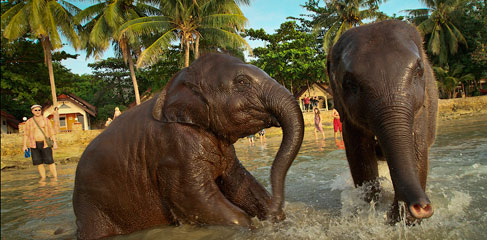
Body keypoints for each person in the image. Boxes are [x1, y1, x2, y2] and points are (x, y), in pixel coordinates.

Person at [22, 105, 58, 183]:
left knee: (50, 161)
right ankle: (43, 178)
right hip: (34, 144)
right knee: (39, 163)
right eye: (36, 110)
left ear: (41, 111)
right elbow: (26, 134)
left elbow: (52, 132)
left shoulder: (46, 120)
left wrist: (55, 142)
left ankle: (55, 178)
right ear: (32, 111)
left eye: (39, 110)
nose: (38, 111)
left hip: (45, 143)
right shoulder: (29, 122)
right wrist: (24, 145)